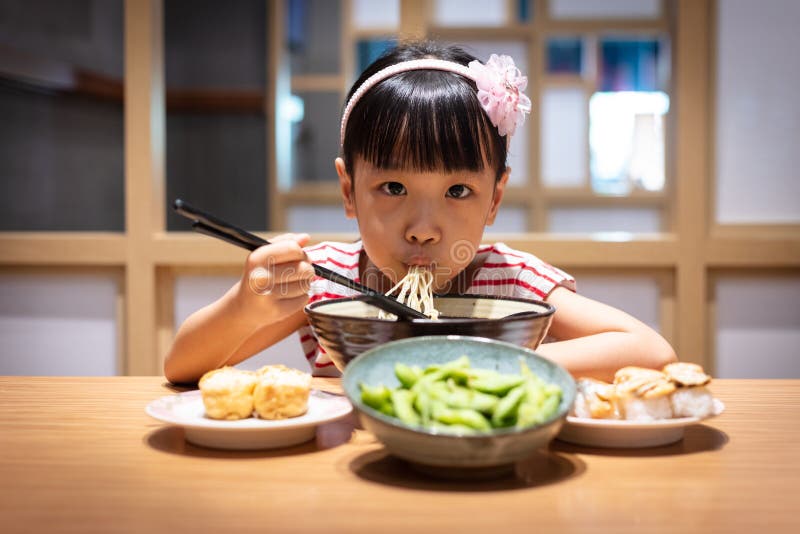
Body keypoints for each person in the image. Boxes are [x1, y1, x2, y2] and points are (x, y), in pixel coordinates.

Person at [164, 41, 677, 384]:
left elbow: (650, 351)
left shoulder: (509, 281)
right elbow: (183, 367)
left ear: (495, 198)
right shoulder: (331, 281)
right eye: (392, 186)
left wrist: (494, 364)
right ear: (349, 190)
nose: (424, 230)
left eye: (457, 191)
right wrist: (245, 305)